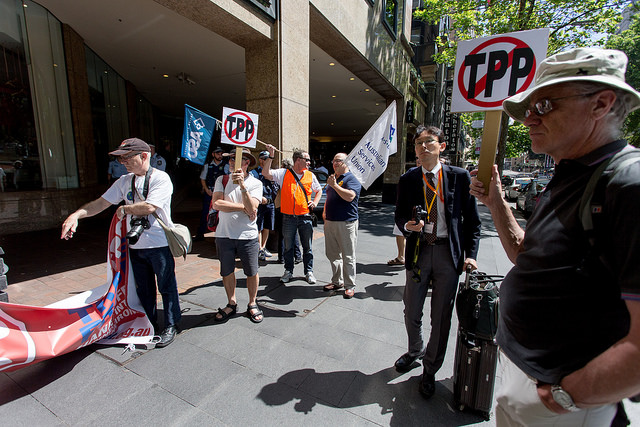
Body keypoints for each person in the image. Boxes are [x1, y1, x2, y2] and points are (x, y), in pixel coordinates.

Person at [469, 48, 640, 426]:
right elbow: (524, 253)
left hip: (564, 399)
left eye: (544, 104)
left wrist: (570, 393)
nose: (529, 118)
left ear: (601, 104)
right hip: (523, 372)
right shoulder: (568, 174)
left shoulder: (628, 185)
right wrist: (495, 200)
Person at [61, 138, 181, 348]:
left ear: (144, 156)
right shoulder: (125, 181)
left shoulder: (161, 179)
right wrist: (76, 215)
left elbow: (150, 207)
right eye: (120, 158)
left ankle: (171, 324)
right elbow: (101, 203)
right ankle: (149, 323)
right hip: (134, 246)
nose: (122, 162)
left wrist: (125, 209)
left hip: (159, 245)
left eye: (127, 157)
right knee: (143, 289)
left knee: (166, 286)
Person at [394, 125, 481, 400]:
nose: (422, 147)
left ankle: (430, 369)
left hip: (448, 253)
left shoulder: (459, 177)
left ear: (441, 146)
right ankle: (415, 350)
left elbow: (473, 223)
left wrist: (470, 255)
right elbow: (399, 217)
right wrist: (407, 226)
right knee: (412, 309)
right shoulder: (408, 179)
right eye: (418, 143)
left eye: (428, 141)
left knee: (441, 317)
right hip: (419, 252)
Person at [211, 148, 264, 323]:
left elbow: (253, 204)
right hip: (224, 234)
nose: (232, 162)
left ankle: (252, 303)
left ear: (247, 163)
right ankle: (231, 303)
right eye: (231, 159)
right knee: (227, 271)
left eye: (237, 159)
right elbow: (217, 203)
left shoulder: (255, 183)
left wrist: (242, 186)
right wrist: (246, 209)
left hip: (247, 236)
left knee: (251, 271)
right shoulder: (222, 179)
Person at [262, 145, 322, 284]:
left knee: (307, 247)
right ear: (298, 160)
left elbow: (318, 190)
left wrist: (315, 202)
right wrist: (271, 156)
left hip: (305, 217)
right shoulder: (283, 173)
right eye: (307, 160)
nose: (309, 162)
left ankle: (309, 272)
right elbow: (265, 173)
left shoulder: (310, 175)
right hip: (288, 218)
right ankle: (288, 271)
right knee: (288, 247)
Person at [322, 152, 362, 298]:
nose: (334, 163)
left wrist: (335, 186)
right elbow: (329, 197)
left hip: (346, 222)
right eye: (333, 160)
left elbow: (350, 196)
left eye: (338, 160)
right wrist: (325, 213)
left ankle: (349, 285)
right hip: (331, 222)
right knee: (332, 254)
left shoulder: (352, 178)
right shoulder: (334, 178)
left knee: (348, 255)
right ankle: (337, 281)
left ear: (346, 163)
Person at [388, 156, 422, 266]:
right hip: (408, 211)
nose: (419, 163)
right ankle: (401, 256)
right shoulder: (409, 175)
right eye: (418, 161)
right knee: (399, 231)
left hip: (424, 214)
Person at [195, 146, 229, 241]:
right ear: (213, 154)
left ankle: (221, 235)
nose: (220, 156)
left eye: (221, 154)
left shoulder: (226, 165)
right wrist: (206, 190)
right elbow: (202, 178)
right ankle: (200, 234)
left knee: (221, 214)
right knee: (205, 213)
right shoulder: (208, 165)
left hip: (221, 194)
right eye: (218, 153)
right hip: (210, 193)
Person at [255, 151, 278, 261]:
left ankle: (263, 248)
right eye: (265, 159)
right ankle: (259, 249)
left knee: (267, 227)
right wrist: (259, 197)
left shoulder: (272, 173)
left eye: (269, 159)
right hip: (260, 203)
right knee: (259, 226)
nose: (267, 161)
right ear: (260, 160)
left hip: (270, 203)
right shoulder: (254, 173)